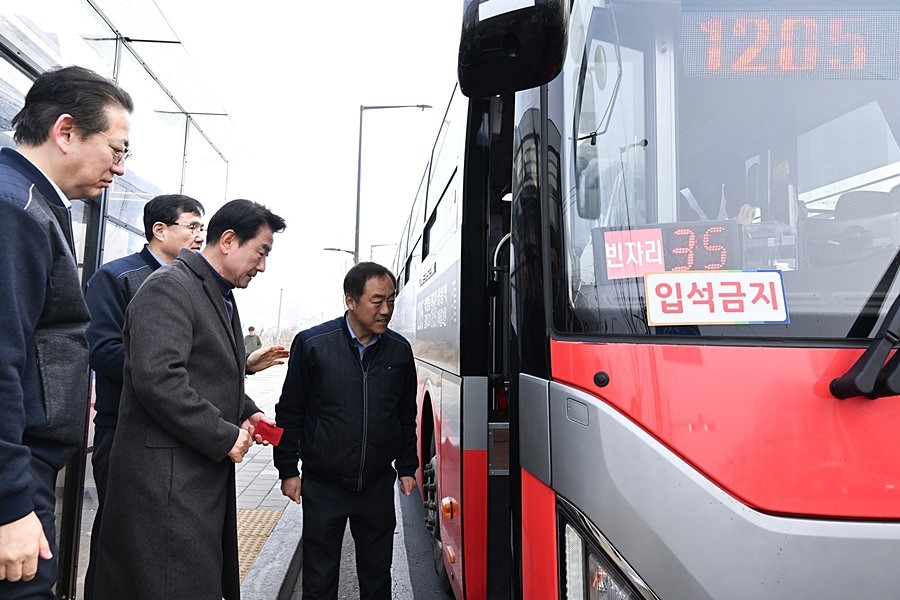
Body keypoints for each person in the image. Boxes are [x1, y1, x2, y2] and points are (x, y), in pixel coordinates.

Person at [93, 199, 286, 600]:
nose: (263, 266)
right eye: (261, 252)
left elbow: (208, 373)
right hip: (164, 484)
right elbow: (159, 379)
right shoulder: (169, 286)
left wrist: (247, 413)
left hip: (189, 478)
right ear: (230, 241)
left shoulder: (218, 293)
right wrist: (223, 435)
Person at [0, 65, 133, 598]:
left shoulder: (29, 203)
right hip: (17, 474)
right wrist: (11, 504)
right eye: (116, 149)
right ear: (66, 131)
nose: (119, 169)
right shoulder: (17, 211)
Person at [274, 261, 418, 600]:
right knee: (320, 578)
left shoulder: (399, 351)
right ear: (350, 301)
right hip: (324, 485)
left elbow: (404, 413)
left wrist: (408, 465)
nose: (386, 310)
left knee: (377, 575)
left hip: (376, 485)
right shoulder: (313, 345)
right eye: (377, 301)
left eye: (392, 301)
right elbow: (289, 410)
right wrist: (286, 469)